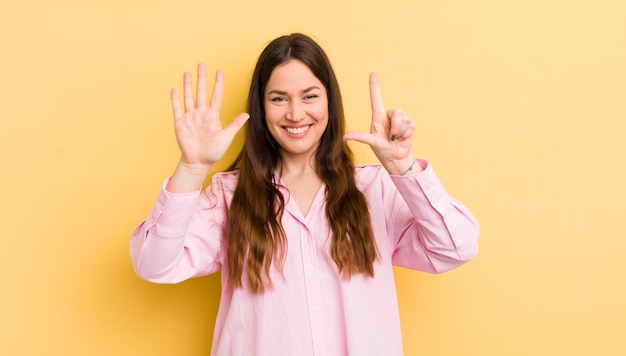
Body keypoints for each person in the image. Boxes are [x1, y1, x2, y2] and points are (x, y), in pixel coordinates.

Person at [130, 33, 479, 356]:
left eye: (310, 96)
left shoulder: (375, 190)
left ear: (330, 100)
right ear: (261, 106)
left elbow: (456, 248)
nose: (296, 114)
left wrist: (403, 166)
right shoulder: (228, 195)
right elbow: (155, 265)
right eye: (279, 98)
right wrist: (192, 168)